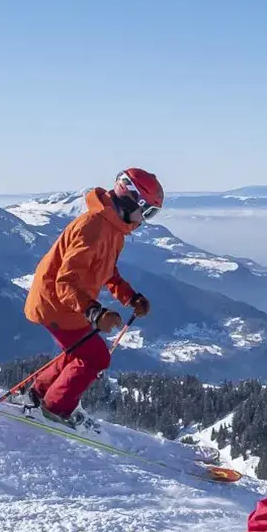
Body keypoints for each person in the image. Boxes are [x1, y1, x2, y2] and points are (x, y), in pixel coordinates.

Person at [21, 169, 161, 426]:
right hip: (56, 302)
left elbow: (106, 270)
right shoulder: (93, 227)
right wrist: (95, 312)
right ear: (132, 200)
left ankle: (39, 394)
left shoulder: (113, 229)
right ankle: (55, 409)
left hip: (67, 303)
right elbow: (66, 281)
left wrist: (130, 297)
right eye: (148, 211)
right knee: (96, 356)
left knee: (79, 349)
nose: (145, 219)